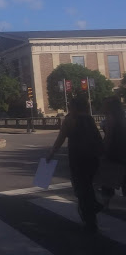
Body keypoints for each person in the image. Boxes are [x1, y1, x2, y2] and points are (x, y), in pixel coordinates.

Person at [47, 96, 103, 233]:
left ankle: (90, 215)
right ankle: (93, 210)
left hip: (77, 157)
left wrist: (52, 153)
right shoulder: (89, 119)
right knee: (88, 185)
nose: (68, 107)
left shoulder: (69, 120)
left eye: (70, 105)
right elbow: (98, 138)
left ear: (73, 107)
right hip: (92, 157)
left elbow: (61, 138)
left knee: (80, 188)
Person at [100, 96, 126, 207]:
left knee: (108, 178)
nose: (102, 106)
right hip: (122, 150)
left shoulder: (110, 118)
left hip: (114, 151)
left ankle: (105, 203)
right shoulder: (121, 117)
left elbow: (108, 138)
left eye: (105, 104)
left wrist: (102, 152)